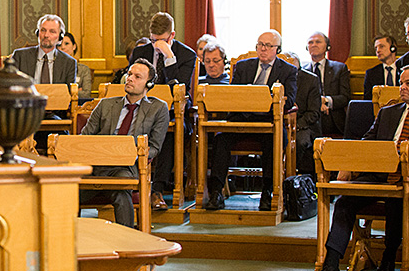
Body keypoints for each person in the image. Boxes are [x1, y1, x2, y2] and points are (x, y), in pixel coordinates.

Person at [319, 64, 409, 271]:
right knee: (345, 201)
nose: (402, 87)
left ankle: (388, 261)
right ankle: (331, 263)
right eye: (401, 83)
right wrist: (348, 164)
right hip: (377, 176)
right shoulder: (387, 113)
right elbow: (366, 144)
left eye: (408, 83)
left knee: (396, 201)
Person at [204, 30, 297, 211]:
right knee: (220, 138)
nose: (263, 49)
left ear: (277, 49)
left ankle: (268, 192)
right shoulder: (244, 66)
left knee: (275, 141)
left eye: (268, 46)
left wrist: (261, 100)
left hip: (269, 122)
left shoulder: (288, 70)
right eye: (260, 45)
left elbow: (290, 100)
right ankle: (216, 192)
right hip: (241, 120)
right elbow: (233, 94)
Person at [80, 59, 169, 227]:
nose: (130, 79)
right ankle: (67, 240)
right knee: (68, 192)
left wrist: (130, 154)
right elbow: (84, 137)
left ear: (148, 84)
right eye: (129, 74)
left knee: (120, 190)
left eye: (137, 77)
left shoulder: (158, 108)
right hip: (97, 164)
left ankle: (127, 240)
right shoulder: (106, 104)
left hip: (127, 166)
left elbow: (155, 147)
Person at [129, 12, 197, 210]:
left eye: (161, 40)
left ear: (171, 35)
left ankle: (156, 190)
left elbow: (179, 88)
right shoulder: (140, 52)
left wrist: (169, 57)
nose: (156, 45)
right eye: (153, 40)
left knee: (166, 129)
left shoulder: (187, 55)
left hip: (174, 111)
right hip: (142, 108)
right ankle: (129, 184)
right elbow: (134, 82)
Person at [304, 32, 351, 136]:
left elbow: (345, 97)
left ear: (327, 47)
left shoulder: (340, 68)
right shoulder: (302, 71)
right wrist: (317, 103)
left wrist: (325, 100)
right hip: (309, 117)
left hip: (332, 116)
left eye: (318, 42)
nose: (314, 44)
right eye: (310, 42)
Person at [283, 51, 322, 176]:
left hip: (304, 124)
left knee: (298, 142)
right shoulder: (277, 77)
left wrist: (295, 125)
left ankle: (292, 177)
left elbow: (314, 113)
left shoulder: (311, 80)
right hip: (280, 123)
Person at [10, 14, 77, 85]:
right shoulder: (20, 56)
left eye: (52, 31)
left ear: (60, 37)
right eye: (43, 30)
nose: (46, 35)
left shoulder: (68, 63)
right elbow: (11, 87)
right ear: (38, 33)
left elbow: (69, 93)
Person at [57, 32, 93, 98]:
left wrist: (64, 92)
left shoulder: (84, 70)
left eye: (66, 44)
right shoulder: (52, 68)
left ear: (74, 46)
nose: (63, 47)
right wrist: (74, 91)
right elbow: (52, 92)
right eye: (59, 45)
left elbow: (86, 94)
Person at [363, 35, 399, 100]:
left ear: (393, 48)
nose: (378, 50)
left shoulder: (404, 69)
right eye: (376, 48)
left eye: (381, 46)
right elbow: (367, 100)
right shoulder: (371, 73)